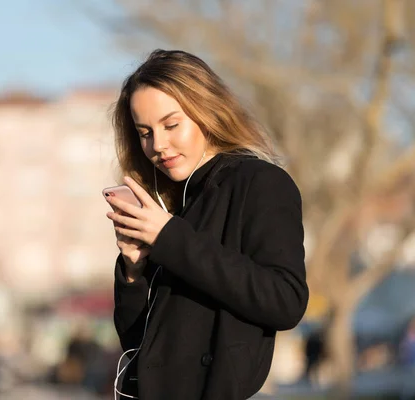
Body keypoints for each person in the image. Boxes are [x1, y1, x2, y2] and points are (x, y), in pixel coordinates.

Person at [105, 49, 309, 400]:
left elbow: (285, 300)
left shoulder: (259, 182)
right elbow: (141, 346)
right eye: (145, 132)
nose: (159, 145)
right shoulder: (171, 203)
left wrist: (169, 237)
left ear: (207, 111)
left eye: (171, 125)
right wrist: (133, 271)